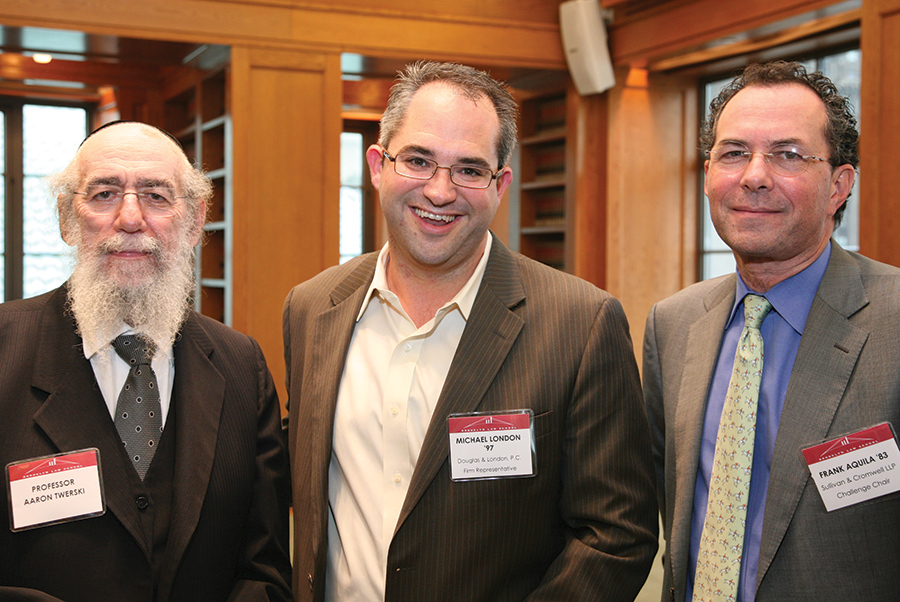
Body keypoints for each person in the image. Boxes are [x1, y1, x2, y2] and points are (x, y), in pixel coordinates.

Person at [283, 61, 658, 601]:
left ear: (500, 184)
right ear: (377, 164)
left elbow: (616, 535)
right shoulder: (313, 308)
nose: (440, 191)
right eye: (418, 160)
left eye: (469, 169)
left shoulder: (581, 323)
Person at [0, 121, 292, 602]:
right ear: (67, 218)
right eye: (105, 194)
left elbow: (264, 569)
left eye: (156, 196)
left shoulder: (242, 366)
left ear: (195, 221)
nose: (131, 219)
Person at [643, 60, 900, 602]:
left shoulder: (893, 321)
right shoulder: (674, 323)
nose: (754, 175)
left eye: (787, 154)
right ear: (709, 174)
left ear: (839, 185)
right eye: (733, 153)